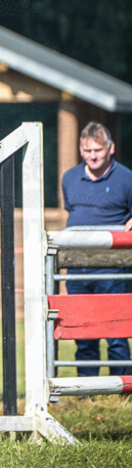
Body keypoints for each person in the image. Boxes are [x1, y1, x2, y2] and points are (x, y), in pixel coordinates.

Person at [60, 122, 132, 376]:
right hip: (78, 267)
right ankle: (86, 389)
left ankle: (122, 389)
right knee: (83, 329)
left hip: (113, 267)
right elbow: (72, 212)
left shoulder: (127, 178)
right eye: (87, 150)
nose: (93, 155)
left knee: (116, 331)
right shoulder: (69, 178)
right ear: (80, 150)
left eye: (98, 150)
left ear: (110, 148)